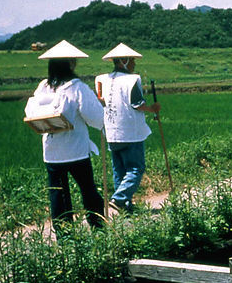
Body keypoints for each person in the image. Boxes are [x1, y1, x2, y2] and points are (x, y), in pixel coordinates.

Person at [27, 39, 105, 231]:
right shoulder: (77, 87)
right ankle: (98, 227)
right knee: (88, 190)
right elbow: (96, 118)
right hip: (76, 150)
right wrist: (100, 106)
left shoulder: (44, 86)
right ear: (71, 63)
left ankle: (64, 236)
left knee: (58, 194)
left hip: (52, 152)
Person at [94, 42, 161, 214]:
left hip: (111, 131)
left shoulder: (103, 79)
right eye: (132, 60)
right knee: (136, 168)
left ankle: (125, 207)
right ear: (123, 61)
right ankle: (120, 198)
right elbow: (137, 104)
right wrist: (152, 109)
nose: (134, 64)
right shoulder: (132, 80)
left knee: (120, 170)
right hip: (130, 132)